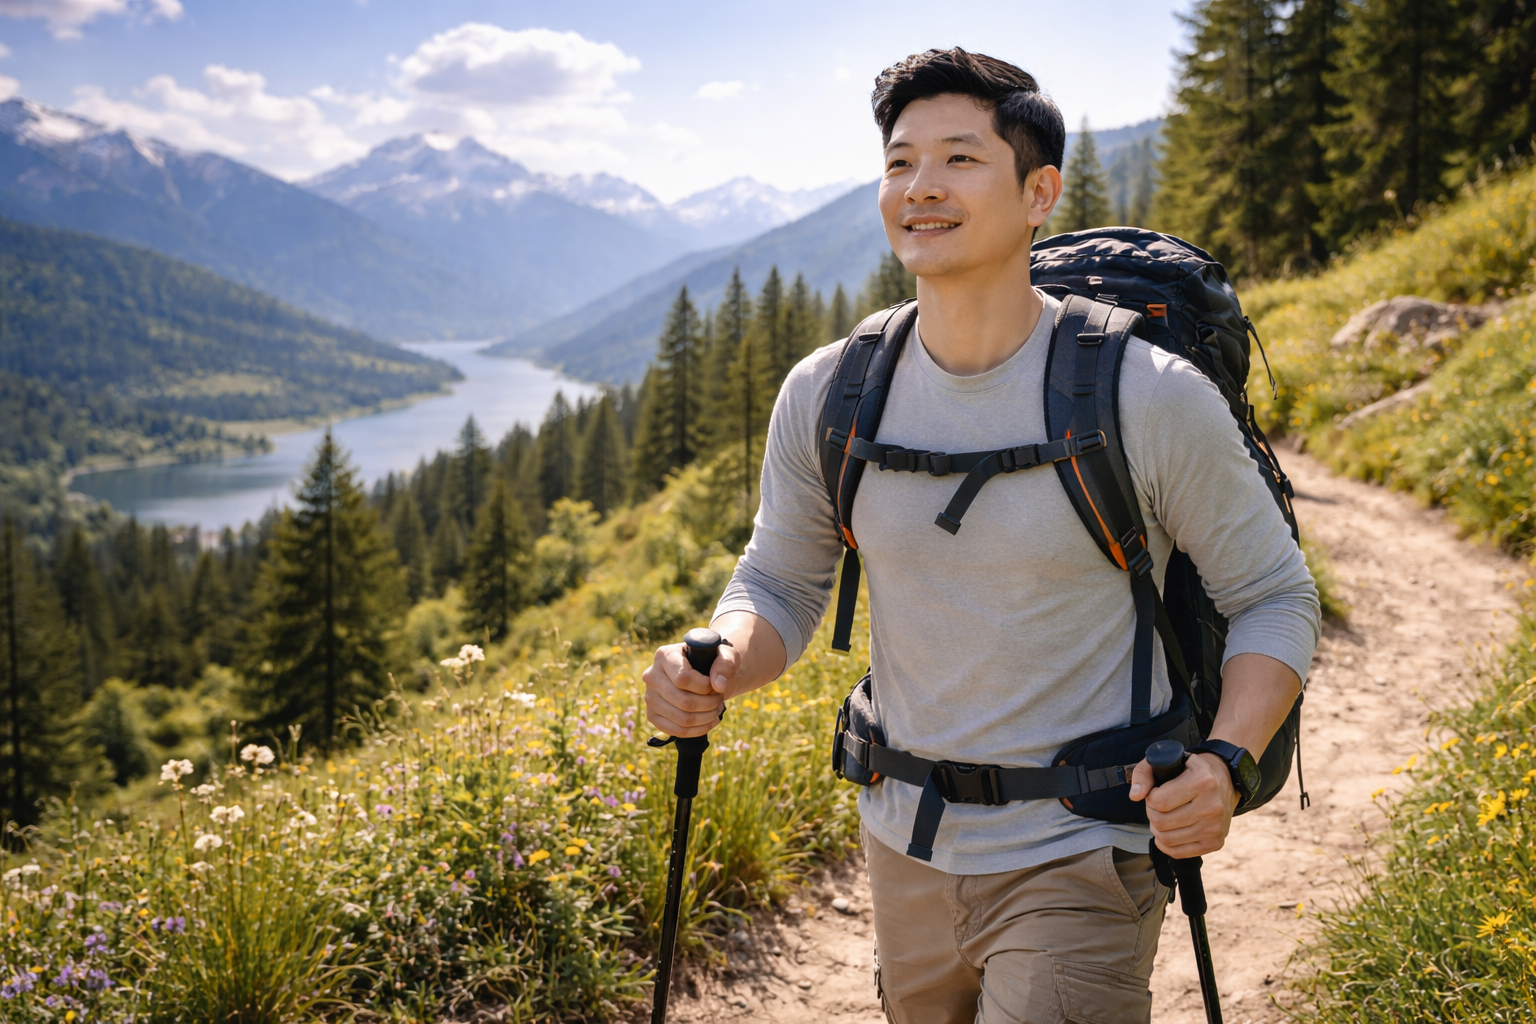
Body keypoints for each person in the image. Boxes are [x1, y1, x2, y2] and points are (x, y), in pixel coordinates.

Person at [642, 47, 1319, 1024]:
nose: (920, 185)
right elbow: (781, 583)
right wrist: (714, 664)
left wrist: (1223, 759)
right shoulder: (832, 390)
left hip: (1084, 854)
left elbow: (1273, 594)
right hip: (902, 843)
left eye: (960, 159)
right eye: (899, 161)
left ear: (1038, 191)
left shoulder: (1148, 397)